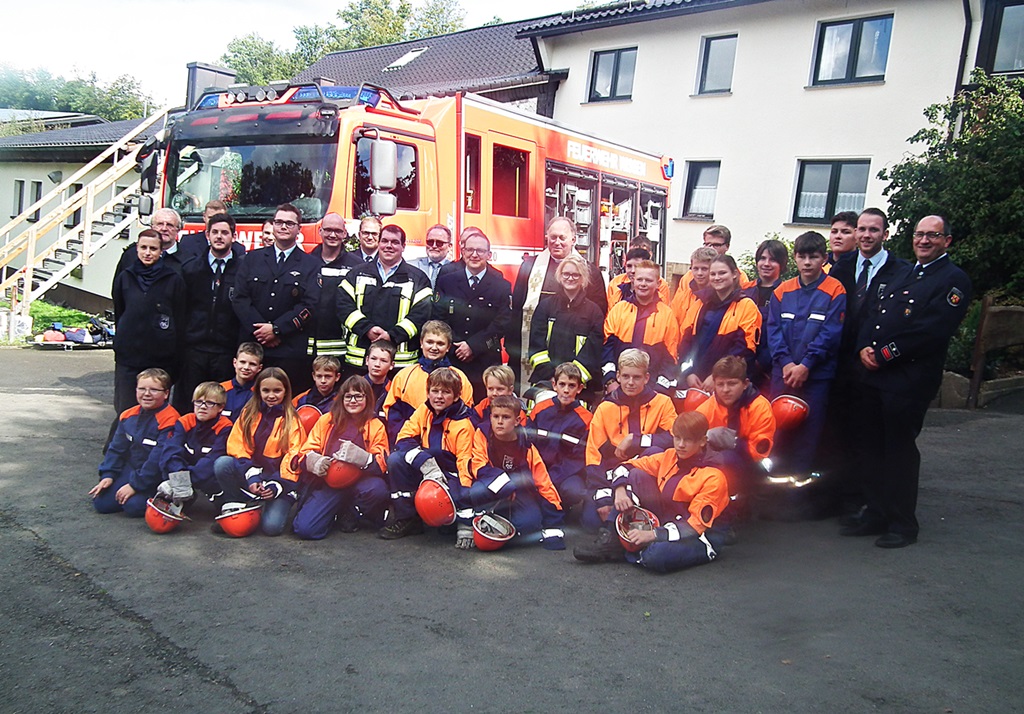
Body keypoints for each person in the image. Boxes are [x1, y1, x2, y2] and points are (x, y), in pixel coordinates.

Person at [841, 215, 971, 548]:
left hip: (908, 379)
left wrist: (884, 354)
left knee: (898, 451)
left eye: (933, 235)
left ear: (947, 241)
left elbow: (932, 330)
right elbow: (874, 314)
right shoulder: (905, 273)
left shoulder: (952, 280)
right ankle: (875, 513)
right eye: (919, 235)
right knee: (869, 446)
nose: (924, 241)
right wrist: (863, 349)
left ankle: (902, 523)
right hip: (875, 376)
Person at [826, 208, 910, 516]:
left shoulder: (901, 271)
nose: (866, 235)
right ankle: (840, 494)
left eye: (874, 230)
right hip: (839, 362)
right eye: (861, 229)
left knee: (866, 434)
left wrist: (874, 349)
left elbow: (896, 319)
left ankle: (865, 499)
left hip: (873, 364)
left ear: (885, 234)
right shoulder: (841, 267)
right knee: (838, 431)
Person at [573, 411, 731, 572]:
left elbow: (693, 527)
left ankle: (630, 548)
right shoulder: (670, 456)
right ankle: (612, 539)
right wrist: (620, 490)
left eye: (688, 440)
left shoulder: (714, 477)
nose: (681, 445)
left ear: (703, 441)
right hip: (668, 521)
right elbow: (625, 466)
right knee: (636, 475)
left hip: (699, 536)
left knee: (655, 556)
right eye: (677, 438)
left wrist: (654, 534)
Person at [767, 231, 845, 475]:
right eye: (802, 257)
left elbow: (831, 333)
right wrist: (787, 363)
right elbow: (773, 330)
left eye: (814, 256)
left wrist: (806, 365)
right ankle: (771, 490)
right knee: (776, 432)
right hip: (784, 374)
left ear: (824, 258)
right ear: (795, 259)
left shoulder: (835, 290)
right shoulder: (782, 291)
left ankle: (797, 492)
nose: (808, 262)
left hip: (815, 377)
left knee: (808, 438)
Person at [231, 203, 320, 394]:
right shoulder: (251, 259)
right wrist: (261, 331)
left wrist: (277, 330)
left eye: (289, 223)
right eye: (279, 222)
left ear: (299, 228)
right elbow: (240, 298)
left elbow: (309, 305)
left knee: (285, 405)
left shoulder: (310, 264)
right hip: (253, 348)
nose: (283, 227)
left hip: (289, 349)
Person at [379, 367, 477, 540]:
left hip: (450, 477)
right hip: (427, 471)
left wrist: (466, 525)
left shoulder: (463, 424)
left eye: (446, 392)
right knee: (396, 460)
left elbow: (465, 470)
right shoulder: (424, 411)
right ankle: (407, 518)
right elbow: (403, 438)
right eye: (435, 391)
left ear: (456, 396)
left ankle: (452, 519)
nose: (439, 396)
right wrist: (425, 463)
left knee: (449, 514)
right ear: (428, 393)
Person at [584, 349, 677, 531]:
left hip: (646, 475)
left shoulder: (663, 403)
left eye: (637, 377)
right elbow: (593, 455)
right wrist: (602, 495)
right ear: (617, 376)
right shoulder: (605, 408)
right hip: (612, 477)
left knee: (655, 452)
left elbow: (674, 439)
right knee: (591, 522)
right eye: (625, 376)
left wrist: (636, 440)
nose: (630, 383)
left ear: (646, 377)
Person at [510, 216, 607, 389]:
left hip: (576, 358)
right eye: (553, 237)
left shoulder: (591, 272)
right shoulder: (529, 267)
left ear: (573, 239)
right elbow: (517, 310)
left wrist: (577, 370)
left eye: (562, 237)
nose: (557, 242)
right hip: (540, 359)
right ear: (546, 237)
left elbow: (597, 318)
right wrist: (514, 349)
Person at [290, 376, 390, 538]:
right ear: (341, 398)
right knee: (305, 529)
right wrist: (314, 461)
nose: (353, 401)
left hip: (361, 482)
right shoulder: (326, 420)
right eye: (348, 396)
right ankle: (335, 511)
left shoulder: (375, 425)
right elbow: (305, 452)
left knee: (377, 489)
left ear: (367, 398)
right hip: (330, 482)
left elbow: (383, 462)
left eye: (358, 396)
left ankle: (351, 511)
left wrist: (363, 458)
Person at [213, 367, 304, 536]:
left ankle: (263, 506)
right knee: (222, 464)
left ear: (286, 391)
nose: (271, 395)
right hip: (253, 476)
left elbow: (294, 457)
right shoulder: (249, 413)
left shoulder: (293, 420)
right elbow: (237, 447)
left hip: (280, 482)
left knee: (271, 528)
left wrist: (276, 485)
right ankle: (239, 504)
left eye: (277, 390)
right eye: (266, 390)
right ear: (258, 391)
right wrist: (252, 476)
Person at [467, 395, 566, 550]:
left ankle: (501, 522)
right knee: (476, 491)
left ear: (517, 421)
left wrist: (553, 522)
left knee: (530, 526)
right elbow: (478, 466)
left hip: (519, 492)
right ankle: (484, 518)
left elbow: (544, 483)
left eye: (506, 417)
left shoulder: (526, 446)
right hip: (492, 488)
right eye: (495, 416)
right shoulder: (483, 433)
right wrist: (507, 485)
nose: (499, 421)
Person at [111, 229, 186, 416]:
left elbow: (179, 317)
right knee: (125, 409)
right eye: (143, 247)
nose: (147, 252)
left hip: (159, 357)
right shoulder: (125, 277)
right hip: (129, 356)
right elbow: (120, 311)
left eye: (153, 248)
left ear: (161, 251)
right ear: (137, 249)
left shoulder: (173, 279)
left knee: (156, 411)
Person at [174, 212, 244, 414]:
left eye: (225, 232)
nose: (219, 237)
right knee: (189, 403)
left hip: (225, 350)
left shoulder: (243, 270)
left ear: (233, 236)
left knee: (220, 403)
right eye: (215, 232)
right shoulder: (191, 269)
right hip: (194, 349)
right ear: (207, 235)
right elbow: (181, 309)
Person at [337, 224, 432, 372]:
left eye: (395, 242)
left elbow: (421, 314)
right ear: (379, 243)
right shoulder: (357, 274)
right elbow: (343, 306)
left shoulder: (418, 278)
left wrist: (391, 336)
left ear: (403, 246)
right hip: (359, 360)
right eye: (385, 241)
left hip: (401, 364)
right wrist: (367, 329)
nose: (389, 246)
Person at [432, 230, 511, 403]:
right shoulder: (447, 281)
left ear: (489, 254)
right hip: (452, 358)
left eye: (480, 251)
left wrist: (473, 346)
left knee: (484, 409)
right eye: (470, 250)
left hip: (485, 360)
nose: (474, 255)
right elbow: (438, 318)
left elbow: (502, 323)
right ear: (463, 252)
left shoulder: (501, 286)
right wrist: (455, 347)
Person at [90, 368, 179, 517]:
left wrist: (134, 485)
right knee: (101, 503)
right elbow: (116, 449)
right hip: (133, 469)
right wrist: (108, 475)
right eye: (142, 389)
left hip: (157, 475)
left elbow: (156, 461)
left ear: (166, 393)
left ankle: (168, 499)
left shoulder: (171, 420)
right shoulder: (128, 415)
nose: (146, 394)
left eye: (154, 390)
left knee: (133, 507)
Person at [695, 356, 775, 507]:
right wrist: (705, 440)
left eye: (732, 384)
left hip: (752, 465)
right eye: (720, 384)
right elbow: (689, 438)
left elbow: (759, 452)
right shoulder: (707, 407)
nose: (725, 390)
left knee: (726, 458)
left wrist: (733, 441)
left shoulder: (760, 407)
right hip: (715, 457)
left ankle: (740, 500)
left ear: (745, 384)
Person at [526, 252, 604, 403]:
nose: (570, 278)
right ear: (559, 276)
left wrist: (572, 379)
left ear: (583, 279)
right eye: (566, 274)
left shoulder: (594, 312)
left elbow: (593, 351)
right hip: (547, 383)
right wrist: (552, 376)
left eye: (576, 275)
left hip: (580, 387)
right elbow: (536, 346)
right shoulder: (545, 307)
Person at [677, 254, 762, 392]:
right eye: (713, 274)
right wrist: (688, 373)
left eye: (722, 273)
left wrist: (717, 376)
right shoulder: (699, 303)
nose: (717, 278)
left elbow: (744, 350)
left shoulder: (746, 305)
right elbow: (685, 344)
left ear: (734, 274)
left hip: (728, 384)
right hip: (696, 380)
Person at [382, 320, 474, 444]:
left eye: (440, 343)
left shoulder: (460, 378)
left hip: (445, 446)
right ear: (421, 343)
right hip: (409, 443)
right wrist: (407, 439)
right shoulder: (404, 375)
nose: (434, 347)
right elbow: (392, 412)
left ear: (448, 347)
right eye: (429, 342)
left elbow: (465, 415)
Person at [602, 259, 680, 393]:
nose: (643, 284)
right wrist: (610, 381)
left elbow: (670, 358)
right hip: (619, 387)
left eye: (648, 280)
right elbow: (606, 348)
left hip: (652, 389)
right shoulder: (618, 309)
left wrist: (659, 390)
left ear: (657, 283)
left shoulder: (667, 315)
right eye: (640, 279)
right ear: (633, 281)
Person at [157, 381, 233, 509]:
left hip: (208, 477)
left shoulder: (225, 427)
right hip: (182, 471)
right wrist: (178, 474)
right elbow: (171, 450)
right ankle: (184, 497)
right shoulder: (185, 421)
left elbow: (212, 459)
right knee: (168, 459)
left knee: (224, 509)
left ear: (221, 407)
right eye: (198, 402)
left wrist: (185, 480)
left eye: (209, 403)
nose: (202, 407)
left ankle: (223, 501)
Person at [527, 362, 592, 511]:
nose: (566, 390)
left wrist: (551, 479)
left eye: (571, 385)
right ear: (554, 385)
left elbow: (578, 459)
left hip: (566, 474)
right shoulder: (540, 409)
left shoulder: (587, 419)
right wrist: (537, 473)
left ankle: (563, 508)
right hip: (537, 468)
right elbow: (527, 444)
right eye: (562, 384)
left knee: (573, 490)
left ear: (579, 388)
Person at [743, 239, 788, 391]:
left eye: (773, 259)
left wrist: (761, 362)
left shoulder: (787, 293)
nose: (766, 264)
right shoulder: (745, 290)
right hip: (742, 364)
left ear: (782, 264)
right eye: (762, 258)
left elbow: (783, 332)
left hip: (769, 368)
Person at [308, 213, 352, 361]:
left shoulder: (356, 266)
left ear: (344, 233)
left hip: (341, 349)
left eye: (338, 231)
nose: (332, 235)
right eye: (328, 230)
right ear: (320, 231)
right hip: (307, 347)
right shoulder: (306, 262)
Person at [114, 208, 184, 279]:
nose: (164, 228)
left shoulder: (187, 260)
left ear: (178, 229)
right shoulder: (131, 255)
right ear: (152, 227)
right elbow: (119, 287)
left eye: (170, 225)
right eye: (160, 224)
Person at [670, 246, 718, 330]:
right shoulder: (681, 298)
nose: (699, 273)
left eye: (704, 269)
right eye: (696, 268)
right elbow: (672, 327)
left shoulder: (721, 298)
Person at [220, 342, 263, 422]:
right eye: (242, 362)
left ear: (259, 368)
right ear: (235, 362)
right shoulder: (220, 389)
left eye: (252, 364)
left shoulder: (261, 393)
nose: (246, 367)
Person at [701, 224, 754, 288]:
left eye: (716, 245)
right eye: (707, 244)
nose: (711, 248)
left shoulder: (739, 276)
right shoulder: (692, 274)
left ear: (727, 246)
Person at [363, 339, 395, 415]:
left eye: (383, 361)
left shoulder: (393, 390)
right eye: (373, 359)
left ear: (391, 365)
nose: (377, 364)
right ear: (367, 360)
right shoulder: (354, 385)